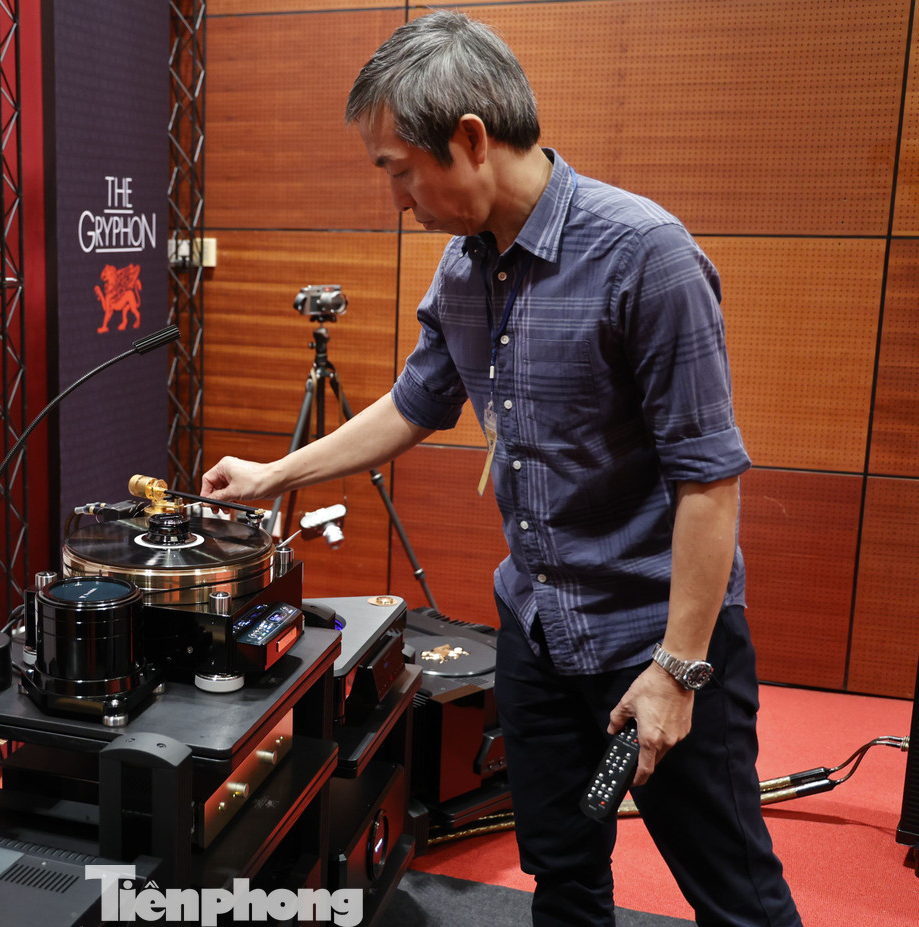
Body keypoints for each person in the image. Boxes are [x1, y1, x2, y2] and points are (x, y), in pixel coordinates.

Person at [200, 10, 802, 926]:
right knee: (563, 879)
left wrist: (679, 670)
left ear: (472, 139)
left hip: (656, 634)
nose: (397, 198)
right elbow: (414, 403)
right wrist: (273, 475)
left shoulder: (646, 256)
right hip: (536, 626)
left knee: (735, 895)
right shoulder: (463, 269)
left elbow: (708, 481)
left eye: (400, 168)